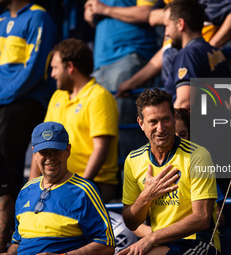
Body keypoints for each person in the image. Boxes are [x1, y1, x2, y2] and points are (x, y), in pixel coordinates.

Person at [118, 88, 220, 255]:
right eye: (153, 122)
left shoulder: (198, 155)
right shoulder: (133, 159)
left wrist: (151, 238)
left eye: (166, 119)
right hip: (160, 243)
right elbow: (131, 222)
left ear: (174, 118)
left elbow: (202, 218)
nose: (161, 128)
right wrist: (146, 196)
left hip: (197, 243)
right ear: (141, 123)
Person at [1, 122, 115, 254]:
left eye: (56, 151)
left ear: (68, 150)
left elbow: (107, 245)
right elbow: (18, 241)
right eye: (44, 152)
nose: (51, 158)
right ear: (34, 154)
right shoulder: (26, 190)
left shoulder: (84, 191)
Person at [29, 38, 120, 203]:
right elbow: (40, 142)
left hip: (93, 183)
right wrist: (32, 185)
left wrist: (81, 187)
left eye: (55, 68)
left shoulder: (99, 96)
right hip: (58, 180)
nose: (52, 74)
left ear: (70, 67)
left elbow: (101, 148)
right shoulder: (58, 96)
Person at [0, 0, 56, 251]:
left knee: (7, 161)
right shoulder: (1, 20)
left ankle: (9, 228)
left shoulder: (38, 17)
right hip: (4, 100)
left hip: (26, 100)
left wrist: (3, 96)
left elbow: (33, 70)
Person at [116, 0, 231, 98]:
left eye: (167, 26)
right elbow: (152, 18)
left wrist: (207, 48)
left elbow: (184, 102)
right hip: (209, 126)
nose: (166, 32)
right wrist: (132, 83)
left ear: (180, 24)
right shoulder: (185, 47)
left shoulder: (190, 53)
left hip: (192, 126)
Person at [84, 0, 157, 159]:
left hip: (129, 56)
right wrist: (91, 16)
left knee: (128, 133)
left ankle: (135, 182)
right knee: (101, 131)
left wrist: (105, 9)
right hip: (100, 64)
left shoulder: (105, 6)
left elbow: (148, 12)